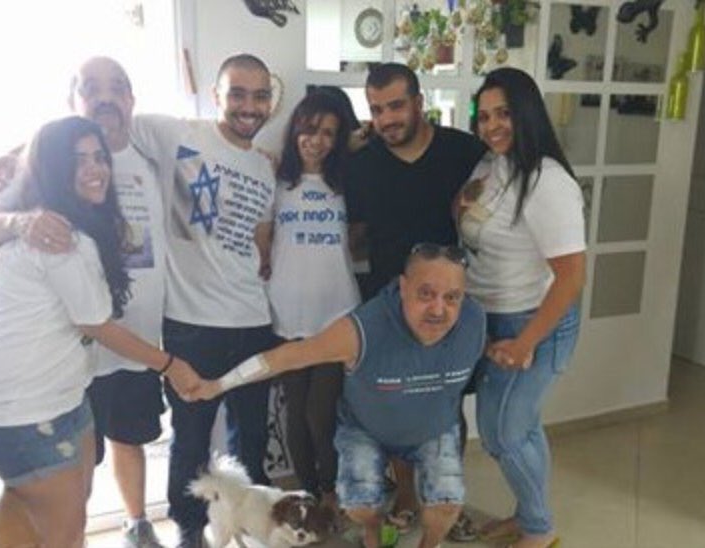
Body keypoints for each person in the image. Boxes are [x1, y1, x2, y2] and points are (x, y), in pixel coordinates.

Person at [0, 116, 203, 548]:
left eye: (99, 157)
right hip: (22, 411)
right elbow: (97, 326)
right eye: (78, 161)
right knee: (67, 532)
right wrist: (171, 364)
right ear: (55, 168)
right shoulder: (60, 237)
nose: (95, 169)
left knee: (70, 502)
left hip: (61, 398)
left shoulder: (71, 223)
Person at [190, 243, 486, 548]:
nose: (438, 310)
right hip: (367, 429)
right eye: (426, 294)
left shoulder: (474, 322)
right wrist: (218, 385)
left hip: (433, 426)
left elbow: (494, 346)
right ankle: (372, 531)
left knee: (447, 503)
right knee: (360, 505)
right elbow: (288, 357)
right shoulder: (361, 331)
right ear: (403, 287)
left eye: (452, 297)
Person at [129, 54, 280, 547]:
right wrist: (22, 158)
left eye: (260, 96)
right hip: (191, 325)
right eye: (237, 93)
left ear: (271, 101)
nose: (249, 106)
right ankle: (191, 529)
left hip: (253, 322)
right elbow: (100, 124)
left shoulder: (265, 168)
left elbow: (260, 240)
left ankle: (249, 526)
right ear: (217, 96)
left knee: (251, 437)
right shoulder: (178, 135)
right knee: (191, 439)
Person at [343, 62, 486, 541]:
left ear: (419, 102)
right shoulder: (363, 164)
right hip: (388, 306)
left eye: (396, 106)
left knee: (446, 406)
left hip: (448, 307)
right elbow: (356, 237)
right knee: (393, 407)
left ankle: (447, 501)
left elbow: (500, 194)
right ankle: (405, 494)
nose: (387, 119)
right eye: (377, 109)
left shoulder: (463, 151)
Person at [457, 67, 586, 548]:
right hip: (491, 315)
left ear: (527, 113)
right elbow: (471, 222)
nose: (492, 125)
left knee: (502, 433)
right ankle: (528, 516)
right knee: (522, 426)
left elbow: (571, 276)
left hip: (533, 321)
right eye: (484, 116)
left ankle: (540, 530)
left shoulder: (547, 181)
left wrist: (525, 341)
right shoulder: (490, 165)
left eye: (504, 113)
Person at [257, 91, 361, 513]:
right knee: (295, 414)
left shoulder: (347, 183)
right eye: (310, 129)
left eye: (329, 133)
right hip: (286, 314)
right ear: (295, 129)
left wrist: (356, 138)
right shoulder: (275, 181)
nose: (316, 141)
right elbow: (262, 237)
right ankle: (309, 495)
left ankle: (331, 489)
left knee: (322, 414)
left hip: (336, 313)